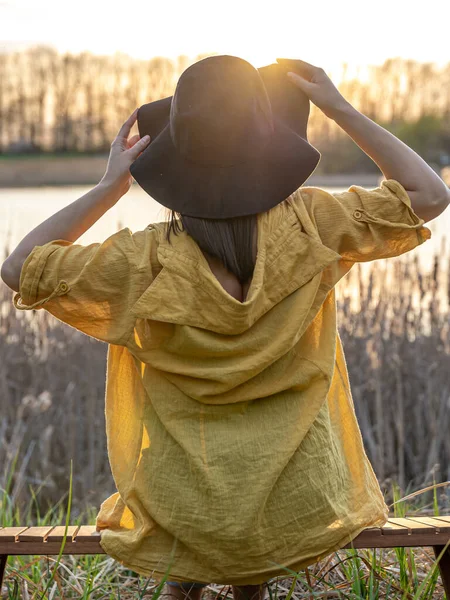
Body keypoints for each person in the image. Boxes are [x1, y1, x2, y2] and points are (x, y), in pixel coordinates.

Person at [1, 56, 448, 600]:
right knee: (249, 547)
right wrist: (339, 107)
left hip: (179, 506)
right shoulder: (314, 226)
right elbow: (430, 194)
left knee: (188, 554)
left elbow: (19, 267)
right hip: (296, 503)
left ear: (175, 161)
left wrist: (110, 187)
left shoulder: (144, 261)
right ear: (270, 149)